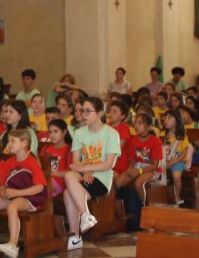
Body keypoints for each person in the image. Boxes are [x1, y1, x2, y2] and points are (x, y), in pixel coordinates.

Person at [0, 129, 48, 258]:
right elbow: (3, 184)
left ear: (24, 143)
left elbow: (39, 187)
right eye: (8, 141)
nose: (9, 144)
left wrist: (17, 192)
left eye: (13, 141)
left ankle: (12, 244)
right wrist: (2, 191)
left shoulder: (31, 162)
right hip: (13, 195)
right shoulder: (8, 162)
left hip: (30, 197)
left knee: (12, 207)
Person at [63, 97, 119, 249]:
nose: (84, 114)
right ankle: (85, 216)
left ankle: (75, 236)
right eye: (83, 111)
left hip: (101, 178)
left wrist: (84, 169)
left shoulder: (111, 133)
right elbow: (75, 161)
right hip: (83, 175)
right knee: (69, 176)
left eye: (88, 111)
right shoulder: (79, 133)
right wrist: (84, 172)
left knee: (68, 193)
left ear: (99, 113)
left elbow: (109, 164)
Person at [117, 112, 161, 231]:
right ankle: (124, 213)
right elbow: (132, 159)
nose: (136, 126)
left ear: (148, 126)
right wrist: (130, 169)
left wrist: (139, 171)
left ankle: (143, 209)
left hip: (151, 169)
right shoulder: (134, 139)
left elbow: (156, 165)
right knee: (118, 182)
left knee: (138, 183)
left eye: (140, 123)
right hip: (137, 167)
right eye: (135, 123)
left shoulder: (155, 140)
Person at [162, 109, 191, 206]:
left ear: (177, 120)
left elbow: (184, 154)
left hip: (178, 160)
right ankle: (160, 196)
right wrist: (166, 162)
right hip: (165, 160)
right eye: (165, 118)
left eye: (169, 118)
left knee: (176, 176)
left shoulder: (182, 136)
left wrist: (172, 163)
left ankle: (177, 196)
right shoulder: (163, 135)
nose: (166, 120)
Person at [42, 118, 72, 198]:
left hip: (60, 184)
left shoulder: (69, 150)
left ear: (64, 132)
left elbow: (71, 173)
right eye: (50, 132)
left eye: (55, 131)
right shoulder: (45, 149)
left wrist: (50, 173)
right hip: (46, 180)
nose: (52, 135)